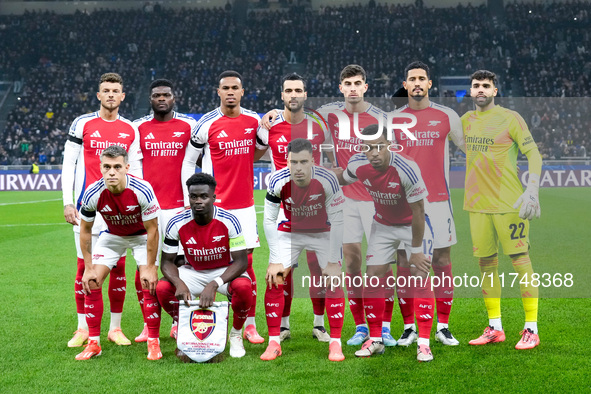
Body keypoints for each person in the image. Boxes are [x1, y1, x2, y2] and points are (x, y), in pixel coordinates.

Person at [262, 65, 395, 346]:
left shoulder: (367, 118)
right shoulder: (309, 118)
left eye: (358, 83)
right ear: (341, 87)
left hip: (356, 203)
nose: (353, 88)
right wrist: (269, 115)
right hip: (321, 203)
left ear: (366, 86)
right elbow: (283, 119)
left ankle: (376, 326)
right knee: (342, 265)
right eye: (348, 83)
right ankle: (353, 326)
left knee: (375, 265)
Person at [337, 124, 436, 362]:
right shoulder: (357, 164)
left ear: (389, 145)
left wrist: (414, 251)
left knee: (419, 274)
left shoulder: (406, 169)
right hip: (382, 225)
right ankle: (376, 340)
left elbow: (419, 211)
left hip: (414, 224)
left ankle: (423, 343)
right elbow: (342, 177)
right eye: (368, 148)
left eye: (379, 146)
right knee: (373, 276)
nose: (374, 153)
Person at [182, 70, 265, 344]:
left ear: (242, 92)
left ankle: (249, 323)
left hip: (244, 206)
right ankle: (185, 319)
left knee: (247, 263)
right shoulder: (206, 123)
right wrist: (188, 200)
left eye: (235, 88)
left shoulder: (254, 120)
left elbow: (262, 150)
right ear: (218, 92)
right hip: (214, 207)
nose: (230, 92)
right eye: (225, 88)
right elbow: (188, 161)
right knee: (203, 258)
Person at [462, 70, 541, 350]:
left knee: (520, 260)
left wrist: (532, 189)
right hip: (476, 204)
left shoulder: (511, 118)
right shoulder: (465, 122)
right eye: (476, 86)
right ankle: (495, 327)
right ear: (470, 91)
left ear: (495, 91)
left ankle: (531, 329)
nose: (480, 89)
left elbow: (534, 154)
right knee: (486, 264)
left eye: (486, 85)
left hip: (509, 203)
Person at [61, 72, 142, 348]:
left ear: (122, 96)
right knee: (84, 266)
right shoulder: (82, 123)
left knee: (118, 267)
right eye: (105, 90)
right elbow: (68, 164)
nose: (110, 95)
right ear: (98, 95)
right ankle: (83, 327)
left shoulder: (131, 129)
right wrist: (67, 201)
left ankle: (115, 328)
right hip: (87, 207)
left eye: (115, 90)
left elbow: (137, 170)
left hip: (118, 213)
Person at [256, 73, 336, 343]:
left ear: (305, 94)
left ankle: (319, 323)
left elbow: (330, 158)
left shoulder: (318, 123)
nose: (293, 95)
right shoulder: (269, 124)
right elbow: (254, 153)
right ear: (282, 95)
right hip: (283, 203)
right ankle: (284, 325)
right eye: (288, 90)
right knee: (283, 268)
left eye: (298, 90)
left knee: (317, 266)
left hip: (314, 205)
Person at [392, 61, 465, 347]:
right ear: (406, 84)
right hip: (403, 205)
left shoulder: (447, 116)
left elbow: (470, 150)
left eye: (422, 78)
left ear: (430, 83)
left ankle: (443, 326)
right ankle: (409, 326)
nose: (418, 83)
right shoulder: (393, 119)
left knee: (442, 261)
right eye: (413, 79)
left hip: (439, 201)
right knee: (404, 262)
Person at [261, 139, 345, 361]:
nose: (298, 167)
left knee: (334, 278)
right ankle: (274, 342)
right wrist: (276, 260)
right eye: (293, 162)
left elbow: (338, 221)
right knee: (275, 277)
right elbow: (269, 220)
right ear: (287, 161)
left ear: (313, 161)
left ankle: (335, 344)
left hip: (322, 232)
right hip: (291, 231)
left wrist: (334, 261)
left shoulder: (327, 180)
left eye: (303, 162)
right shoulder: (278, 180)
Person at [75, 145, 160, 361]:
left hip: (141, 236)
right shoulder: (93, 192)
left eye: (117, 167)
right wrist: (88, 267)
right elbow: (85, 230)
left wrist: (150, 268)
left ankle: (153, 341)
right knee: (92, 281)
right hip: (112, 236)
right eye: (107, 167)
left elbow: (153, 230)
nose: (112, 171)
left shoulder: (142, 189)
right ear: (101, 168)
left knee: (148, 282)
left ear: (126, 167)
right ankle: (94, 343)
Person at [156, 173, 252, 358]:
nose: (198, 201)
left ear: (213, 198)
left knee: (244, 287)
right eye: (194, 197)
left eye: (204, 196)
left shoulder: (229, 220)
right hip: (193, 272)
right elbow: (166, 262)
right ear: (189, 197)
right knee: (162, 287)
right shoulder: (176, 222)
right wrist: (178, 283)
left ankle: (235, 334)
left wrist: (215, 283)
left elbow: (241, 261)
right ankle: (184, 329)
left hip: (223, 271)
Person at [133, 78, 196, 342]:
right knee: (145, 267)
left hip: (179, 210)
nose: (162, 98)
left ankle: (176, 319)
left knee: (179, 266)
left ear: (174, 97)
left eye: (166, 95)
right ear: (150, 99)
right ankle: (149, 323)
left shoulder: (189, 126)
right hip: (148, 210)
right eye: (157, 95)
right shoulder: (137, 128)